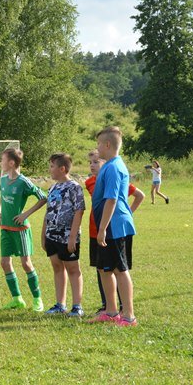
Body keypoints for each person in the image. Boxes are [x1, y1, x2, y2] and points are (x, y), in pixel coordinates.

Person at [89, 126, 138, 326]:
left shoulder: (114, 168)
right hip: (108, 225)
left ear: (107, 145)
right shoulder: (109, 166)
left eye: (99, 144)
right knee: (105, 269)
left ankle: (128, 316)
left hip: (114, 227)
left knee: (119, 269)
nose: (97, 147)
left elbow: (111, 200)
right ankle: (110, 312)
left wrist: (102, 229)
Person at [0, 148, 47, 312]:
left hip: (21, 230)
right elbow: (1, 196)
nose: (0, 163)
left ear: (11, 163)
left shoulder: (23, 182)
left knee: (26, 264)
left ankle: (37, 299)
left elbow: (43, 197)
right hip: (5, 228)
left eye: (3, 160)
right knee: (5, 263)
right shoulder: (3, 180)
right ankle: (17, 299)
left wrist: (25, 214)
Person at [41, 153, 85, 317]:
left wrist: (72, 237)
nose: (49, 169)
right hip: (51, 235)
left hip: (67, 236)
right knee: (57, 267)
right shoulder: (52, 188)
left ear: (62, 169)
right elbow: (48, 212)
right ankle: (60, 304)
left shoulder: (74, 187)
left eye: (52, 166)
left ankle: (77, 306)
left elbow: (79, 211)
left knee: (73, 269)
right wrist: (43, 234)